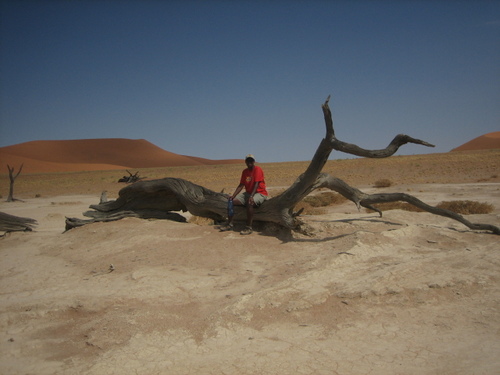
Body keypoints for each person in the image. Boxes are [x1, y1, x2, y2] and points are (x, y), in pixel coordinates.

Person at [220, 154, 268, 235]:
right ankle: (230, 224)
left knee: (249, 203)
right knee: (231, 201)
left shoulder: (257, 169)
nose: (250, 162)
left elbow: (256, 184)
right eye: (248, 160)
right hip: (248, 193)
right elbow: (241, 184)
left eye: (251, 160)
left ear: (254, 161)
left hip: (260, 193)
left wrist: (251, 196)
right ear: (245, 162)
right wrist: (233, 196)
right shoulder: (245, 172)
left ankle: (248, 227)